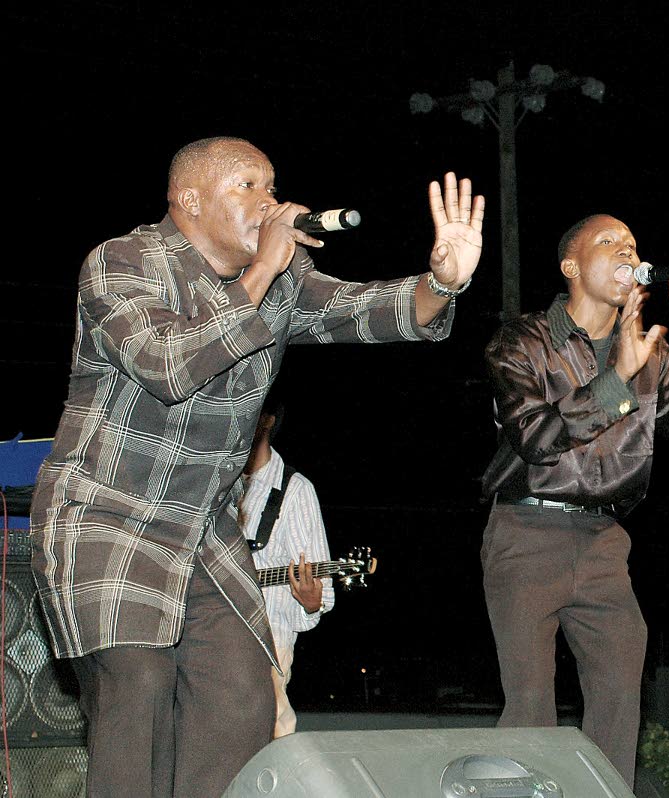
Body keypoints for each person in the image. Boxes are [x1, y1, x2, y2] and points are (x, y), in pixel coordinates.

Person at [29, 135, 484, 798]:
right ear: (187, 198)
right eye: (247, 186)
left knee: (244, 699)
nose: (269, 202)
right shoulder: (122, 261)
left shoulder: (283, 282)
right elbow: (169, 365)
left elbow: (367, 311)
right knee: (140, 684)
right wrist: (263, 272)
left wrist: (444, 281)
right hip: (105, 512)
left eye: (271, 186)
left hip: (204, 528)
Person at [478, 213, 669, 787]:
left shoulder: (649, 351)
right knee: (530, 708)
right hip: (527, 535)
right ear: (570, 266)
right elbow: (535, 438)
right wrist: (617, 380)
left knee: (620, 706)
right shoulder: (522, 340)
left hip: (604, 544)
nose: (626, 249)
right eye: (608, 241)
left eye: (632, 242)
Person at [238, 389, 334, 739]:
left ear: (267, 420)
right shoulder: (215, 485)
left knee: (270, 732)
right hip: (209, 635)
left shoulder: (295, 491)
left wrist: (310, 602)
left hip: (267, 643)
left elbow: (320, 598)